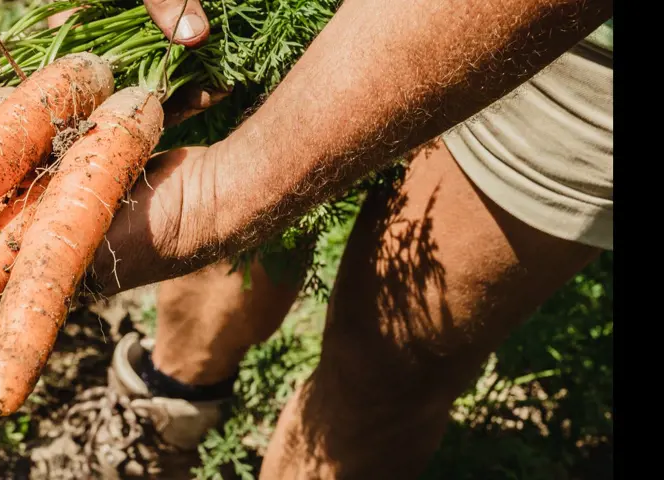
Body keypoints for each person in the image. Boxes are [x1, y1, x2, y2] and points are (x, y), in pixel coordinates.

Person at [35, 0, 613, 478]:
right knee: (228, 221)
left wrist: (229, 189)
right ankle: (163, 414)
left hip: (579, 43)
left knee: (391, 359)